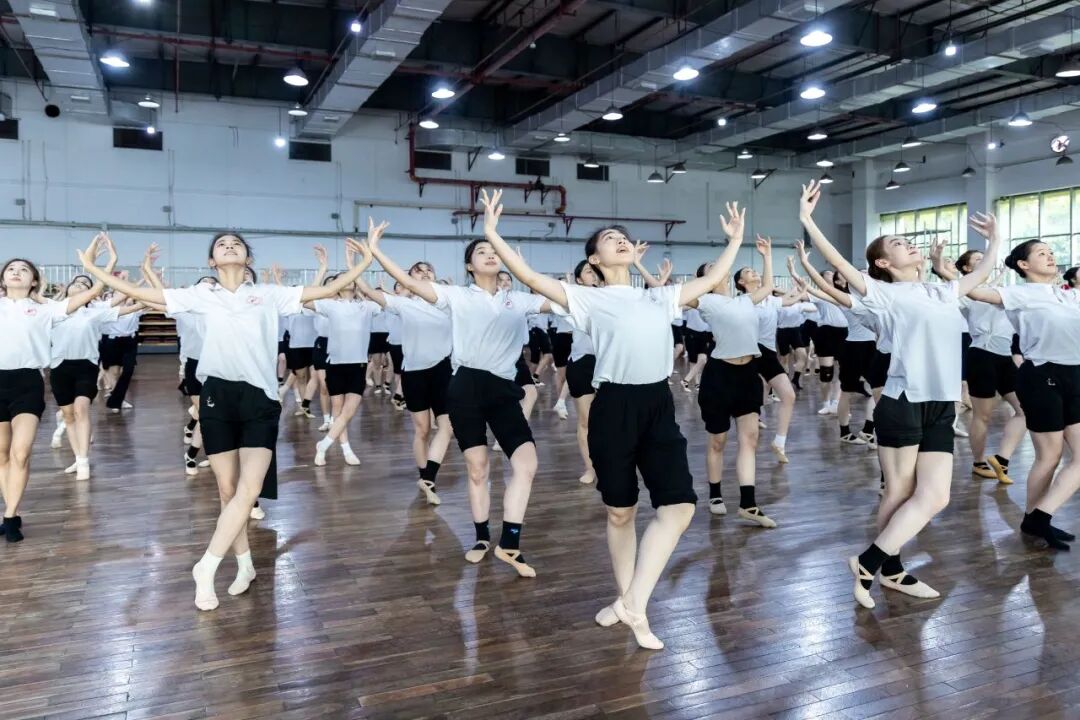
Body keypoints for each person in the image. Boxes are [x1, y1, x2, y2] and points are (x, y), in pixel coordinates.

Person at [479, 187, 746, 650]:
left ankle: (632, 603)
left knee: (680, 508)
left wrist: (736, 240)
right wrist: (492, 232)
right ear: (595, 260)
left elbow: (713, 279)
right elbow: (529, 275)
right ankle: (632, 607)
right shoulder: (587, 299)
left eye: (622, 236)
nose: (620, 239)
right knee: (621, 513)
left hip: (658, 404)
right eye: (609, 238)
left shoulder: (659, 298)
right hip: (614, 406)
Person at [78, 224, 382, 611]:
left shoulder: (268, 294)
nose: (229, 246)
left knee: (249, 489)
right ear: (212, 261)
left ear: (247, 258)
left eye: (236, 243)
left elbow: (325, 290)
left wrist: (367, 261)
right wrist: (94, 268)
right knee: (227, 491)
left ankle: (206, 566)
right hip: (217, 395)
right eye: (221, 244)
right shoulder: (202, 296)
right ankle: (244, 564)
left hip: (260, 397)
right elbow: (142, 293)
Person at [800, 179, 1000, 608]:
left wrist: (995, 239)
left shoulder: (941, 289)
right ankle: (891, 570)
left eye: (907, 241)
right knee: (898, 492)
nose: (908, 244)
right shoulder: (883, 294)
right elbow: (839, 263)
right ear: (883, 262)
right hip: (903, 401)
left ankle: (869, 561)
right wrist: (807, 221)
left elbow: (979, 275)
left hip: (941, 405)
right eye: (897, 243)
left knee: (936, 496)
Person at [368, 227, 545, 578]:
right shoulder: (457, 295)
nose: (490, 255)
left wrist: (525, 271)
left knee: (527, 465)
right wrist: (375, 251)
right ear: (469, 266)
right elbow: (409, 281)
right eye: (482, 252)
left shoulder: (518, 299)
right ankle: (482, 537)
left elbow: (559, 298)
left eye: (495, 250)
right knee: (477, 469)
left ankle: (510, 543)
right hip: (466, 388)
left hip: (503, 390)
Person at [0, 235, 116, 542]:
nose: (16, 272)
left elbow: (95, 291)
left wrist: (99, 265)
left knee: (21, 452)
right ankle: (9, 512)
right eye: (11, 269)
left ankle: (11, 515)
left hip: (27, 382)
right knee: (2, 454)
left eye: (23, 269)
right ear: (3, 278)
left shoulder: (46, 309)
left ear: (34, 281)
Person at [965, 240, 1080, 550]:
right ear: (1024, 265)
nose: (1050, 256)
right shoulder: (1020, 293)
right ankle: (1035, 518)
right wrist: (993, 245)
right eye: (1042, 253)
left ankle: (1038, 518)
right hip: (1042, 375)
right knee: (1050, 456)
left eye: (1051, 252)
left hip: (1074, 375)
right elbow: (973, 291)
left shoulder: (1069, 295)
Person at [690, 238, 779, 526]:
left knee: (750, 439)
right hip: (720, 376)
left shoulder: (743, 300)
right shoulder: (705, 301)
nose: (719, 266)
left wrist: (767, 256)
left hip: (748, 374)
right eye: (711, 266)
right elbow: (674, 296)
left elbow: (767, 287)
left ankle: (748, 504)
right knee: (718, 440)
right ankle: (715, 494)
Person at [357, 262, 454, 506]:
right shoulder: (404, 303)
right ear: (409, 279)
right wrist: (356, 266)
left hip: (442, 370)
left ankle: (429, 478)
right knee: (422, 430)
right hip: (414, 373)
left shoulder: (448, 302)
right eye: (418, 270)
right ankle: (425, 477)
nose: (425, 272)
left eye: (429, 269)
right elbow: (367, 291)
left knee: (447, 426)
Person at [931, 248, 1025, 486]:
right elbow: (965, 288)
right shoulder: (963, 291)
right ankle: (978, 462)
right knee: (983, 415)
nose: (985, 261)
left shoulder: (1002, 290)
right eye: (978, 259)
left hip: (1004, 358)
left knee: (1025, 409)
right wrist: (941, 268)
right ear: (967, 269)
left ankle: (1001, 459)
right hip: (982, 356)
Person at [49, 274, 143, 480]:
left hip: (86, 365)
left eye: (85, 284)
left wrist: (147, 297)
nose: (79, 285)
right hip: (59, 366)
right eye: (76, 283)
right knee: (68, 415)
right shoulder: (53, 310)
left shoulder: (95, 312)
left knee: (81, 409)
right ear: (67, 289)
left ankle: (84, 461)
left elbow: (128, 307)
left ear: (91, 293)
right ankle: (78, 457)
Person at [309, 274, 381, 468]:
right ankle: (346, 449)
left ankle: (323, 445)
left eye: (351, 278)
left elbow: (385, 302)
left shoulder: (367, 306)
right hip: (335, 364)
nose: (348, 280)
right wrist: (322, 272)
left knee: (348, 412)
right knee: (338, 410)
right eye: (343, 278)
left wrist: (358, 276)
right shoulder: (330, 305)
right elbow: (305, 300)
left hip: (358, 365)